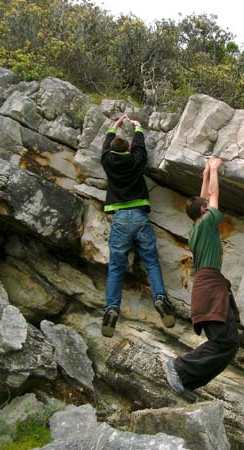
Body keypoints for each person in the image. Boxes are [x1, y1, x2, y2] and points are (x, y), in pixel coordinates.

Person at [162, 157, 240, 402]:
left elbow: (204, 198)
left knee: (228, 344)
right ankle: (178, 367)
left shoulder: (198, 226)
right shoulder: (207, 222)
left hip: (207, 287)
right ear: (205, 212)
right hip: (210, 287)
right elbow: (213, 196)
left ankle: (186, 381)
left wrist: (205, 172)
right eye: (207, 206)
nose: (209, 205)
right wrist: (215, 169)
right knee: (225, 342)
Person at [100, 114, 175, 337]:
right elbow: (141, 149)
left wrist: (114, 126)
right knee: (151, 261)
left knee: (116, 266)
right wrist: (138, 128)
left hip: (121, 217)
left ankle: (112, 309)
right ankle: (160, 297)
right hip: (140, 216)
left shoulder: (108, 162)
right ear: (128, 151)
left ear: (112, 152)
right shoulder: (135, 160)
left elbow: (105, 147)